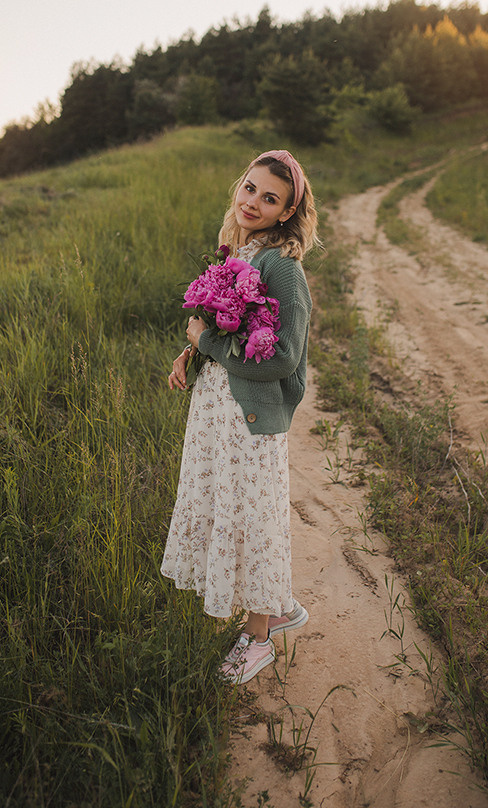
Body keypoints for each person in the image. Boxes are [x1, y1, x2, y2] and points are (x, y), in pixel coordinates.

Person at [161, 149, 319, 684]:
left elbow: (282, 358)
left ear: (286, 212)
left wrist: (207, 340)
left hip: (249, 418)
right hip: (217, 410)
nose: (254, 201)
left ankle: (259, 638)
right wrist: (192, 354)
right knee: (227, 504)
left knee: (254, 518)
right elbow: (228, 331)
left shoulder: (283, 268)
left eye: (269, 198)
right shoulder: (239, 253)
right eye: (250, 188)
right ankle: (271, 607)